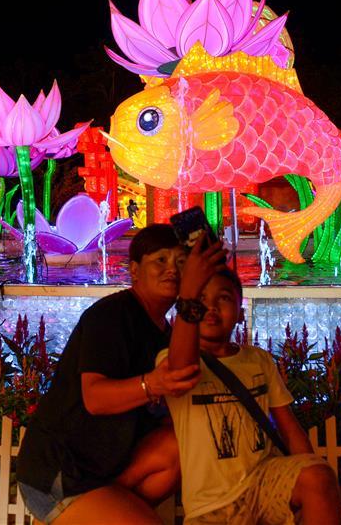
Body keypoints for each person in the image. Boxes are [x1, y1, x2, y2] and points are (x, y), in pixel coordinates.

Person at [16, 224, 207, 524]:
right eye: (160, 260)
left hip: (105, 471)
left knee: (179, 446)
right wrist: (152, 384)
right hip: (60, 474)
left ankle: (103, 509)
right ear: (134, 269)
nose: (172, 269)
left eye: (181, 262)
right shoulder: (111, 316)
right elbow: (95, 398)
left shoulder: (165, 333)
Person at [163, 236, 341, 524]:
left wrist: (310, 473)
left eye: (222, 299)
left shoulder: (257, 360)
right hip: (211, 504)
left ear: (238, 312)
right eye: (201, 300)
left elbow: (287, 425)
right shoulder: (170, 361)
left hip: (264, 482)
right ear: (187, 309)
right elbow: (180, 370)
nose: (210, 308)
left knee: (318, 476)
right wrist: (188, 294)